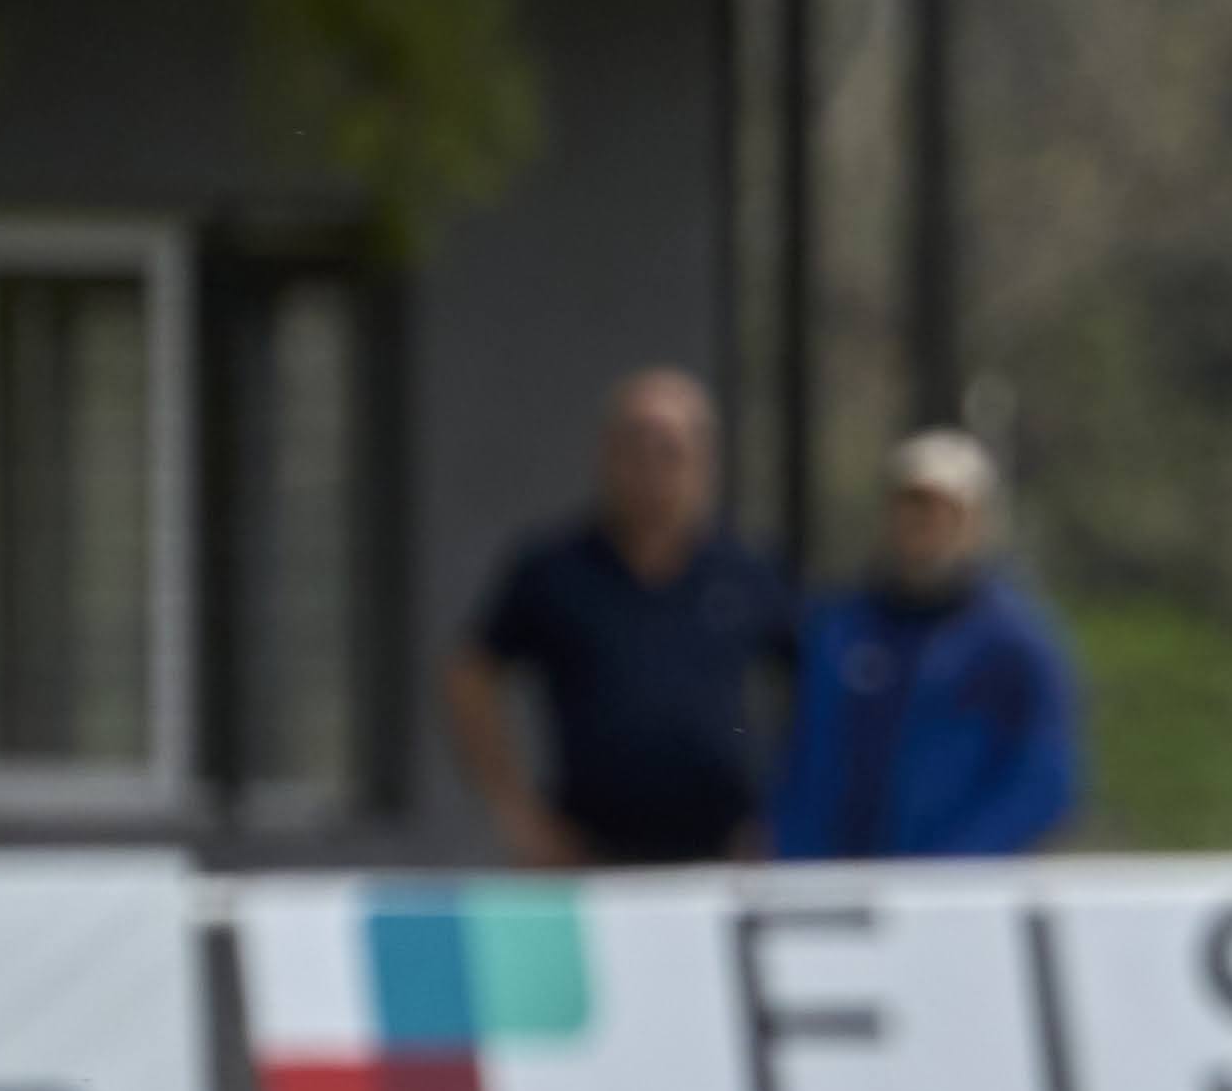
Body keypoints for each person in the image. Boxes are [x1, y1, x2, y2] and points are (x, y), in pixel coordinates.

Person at [445, 371, 799, 868]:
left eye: (670, 449)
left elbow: (820, 685)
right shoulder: (554, 570)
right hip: (588, 858)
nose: (651, 468)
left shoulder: (746, 572)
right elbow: (470, 677)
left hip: (722, 858)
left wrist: (787, 813)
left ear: (705, 461)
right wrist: (517, 812)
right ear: (607, 455)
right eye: (635, 446)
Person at [770, 431, 1079, 861]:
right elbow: (803, 759)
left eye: (945, 511)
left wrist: (956, 867)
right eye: (912, 507)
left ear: (976, 523)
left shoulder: (1015, 643)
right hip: (833, 886)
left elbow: (1043, 779)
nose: (925, 525)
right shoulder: (839, 629)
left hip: (953, 897)